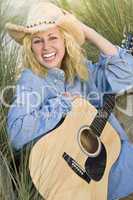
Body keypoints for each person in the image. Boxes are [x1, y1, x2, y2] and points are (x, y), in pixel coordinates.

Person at [5, 2, 133, 200]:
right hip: (58, 175)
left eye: (53, 37)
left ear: (66, 40)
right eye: (38, 41)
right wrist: (61, 104)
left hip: (108, 167)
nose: (46, 47)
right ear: (30, 46)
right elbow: (17, 133)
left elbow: (127, 73)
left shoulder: (83, 71)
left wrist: (88, 32)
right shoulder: (32, 79)